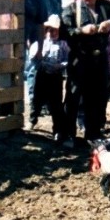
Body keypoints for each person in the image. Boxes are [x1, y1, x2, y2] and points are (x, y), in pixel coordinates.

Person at [60, 0, 110, 146]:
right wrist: (82, 31)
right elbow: (64, 32)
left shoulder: (105, 6)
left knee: (97, 98)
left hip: (100, 59)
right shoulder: (71, 10)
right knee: (73, 97)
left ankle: (93, 133)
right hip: (80, 59)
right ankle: (68, 134)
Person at [29, 14, 69, 142]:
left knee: (56, 104)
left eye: (54, 30)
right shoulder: (42, 42)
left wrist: (61, 65)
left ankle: (57, 130)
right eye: (49, 29)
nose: (51, 32)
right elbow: (32, 56)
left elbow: (68, 59)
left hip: (55, 76)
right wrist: (38, 57)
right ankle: (32, 120)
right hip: (41, 74)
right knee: (36, 99)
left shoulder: (63, 44)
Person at [21, 0, 47, 129]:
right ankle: (0, 115)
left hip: (28, 46)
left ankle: (31, 119)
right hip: (8, 44)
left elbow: (40, 25)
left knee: (32, 81)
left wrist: (39, 48)